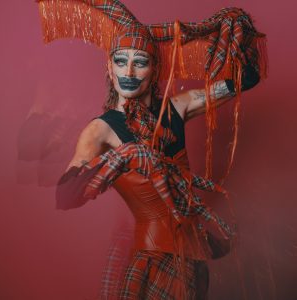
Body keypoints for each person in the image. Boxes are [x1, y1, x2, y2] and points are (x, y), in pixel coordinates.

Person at [36, 1, 267, 298]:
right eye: (120, 61)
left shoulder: (177, 108)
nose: (128, 71)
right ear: (109, 66)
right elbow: (65, 197)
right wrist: (124, 155)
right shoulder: (101, 130)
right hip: (152, 259)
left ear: (155, 69)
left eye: (140, 62)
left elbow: (246, 79)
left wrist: (237, 29)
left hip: (196, 261)